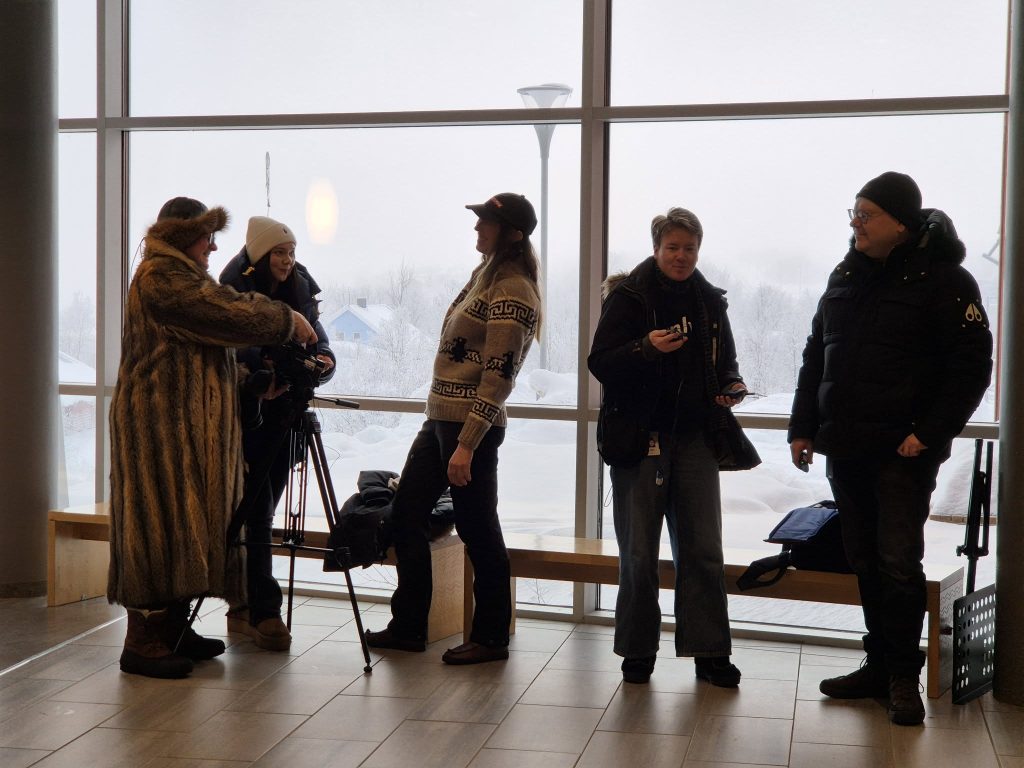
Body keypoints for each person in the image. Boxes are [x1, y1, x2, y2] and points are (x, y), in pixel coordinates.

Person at [788, 172, 993, 725]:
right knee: (864, 560)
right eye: (853, 213)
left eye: (867, 213)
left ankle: (903, 675)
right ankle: (878, 664)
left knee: (898, 564)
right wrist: (803, 427)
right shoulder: (845, 274)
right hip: (846, 446)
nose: (856, 222)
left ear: (900, 223)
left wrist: (929, 433)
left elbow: (972, 367)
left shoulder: (946, 280)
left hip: (902, 452)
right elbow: (816, 355)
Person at [108, 197, 317, 679]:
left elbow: (201, 356)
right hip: (157, 429)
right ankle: (141, 640)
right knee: (156, 528)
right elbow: (223, 314)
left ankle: (172, 628)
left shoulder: (179, 277)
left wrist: (250, 383)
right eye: (207, 238)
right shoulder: (162, 278)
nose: (213, 247)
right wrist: (286, 320)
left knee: (186, 525)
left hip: (183, 428)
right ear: (186, 237)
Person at [364, 192, 542, 664]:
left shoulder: (513, 289)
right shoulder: (485, 276)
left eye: (486, 222)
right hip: (441, 419)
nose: (477, 228)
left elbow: (498, 377)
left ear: (512, 234)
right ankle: (409, 627)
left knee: (479, 531)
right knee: (406, 516)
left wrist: (466, 445)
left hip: (469, 428)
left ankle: (491, 638)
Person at [588, 207, 756, 688]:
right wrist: (646, 348)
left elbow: (726, 364)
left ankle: (710, 652)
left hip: (696, 439)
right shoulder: (628, 296)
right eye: (673, 247)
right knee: (638, 554)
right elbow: (600, 362)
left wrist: (732, 385)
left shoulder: (711, 302)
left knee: (703, 550)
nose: (681, 256)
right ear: (656, 248)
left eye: (690, 248)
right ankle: (637, 652)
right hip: (641, 441)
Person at [219, 216, 336, 651]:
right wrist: (259, 374)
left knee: (263, 508)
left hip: (287, 417)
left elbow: (321, 344)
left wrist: (323, 363)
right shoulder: (232, 292)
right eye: (279, 253)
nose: (287, 261)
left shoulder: (301, 290)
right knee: (258, 511)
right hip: (247, 416)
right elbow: (230, 349)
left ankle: (245, 606)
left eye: (291, 252)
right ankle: (264, 611)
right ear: (260, 255)